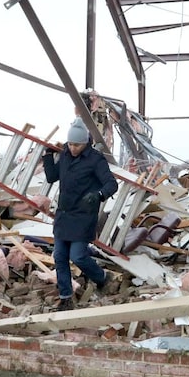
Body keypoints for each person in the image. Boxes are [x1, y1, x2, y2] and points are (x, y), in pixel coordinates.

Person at [42, 117, 118, 311]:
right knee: (59, 256)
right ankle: (66, 296)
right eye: (70, 144)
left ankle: (101, 277)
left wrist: (98, 194)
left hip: (83, 216)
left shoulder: (95, 159)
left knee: (77, 256)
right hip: (64, 215)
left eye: (77, 145)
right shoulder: (66, 156)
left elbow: (111, 184)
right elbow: (52, 176)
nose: (73, 148)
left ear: (85, 143)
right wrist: (48, 156)